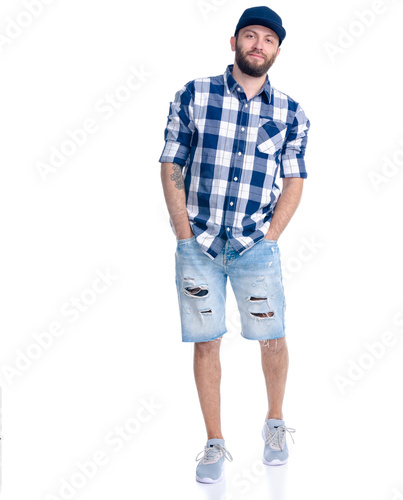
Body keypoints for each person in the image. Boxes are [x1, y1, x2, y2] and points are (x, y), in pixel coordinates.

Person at [159, 6, 310, 483]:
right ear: (234, 42)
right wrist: (183, 231)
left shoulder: (290, 112)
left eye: (268, 39)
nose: (258, 45)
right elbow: (170, 162)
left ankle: (275, 422)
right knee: (206, 343)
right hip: (198, 244)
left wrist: (271, 237)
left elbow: (295, 179)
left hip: (255, 247)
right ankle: (214, 443)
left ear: (278, 50)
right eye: (250, 35)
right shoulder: (194, 94)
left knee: (273, 338)